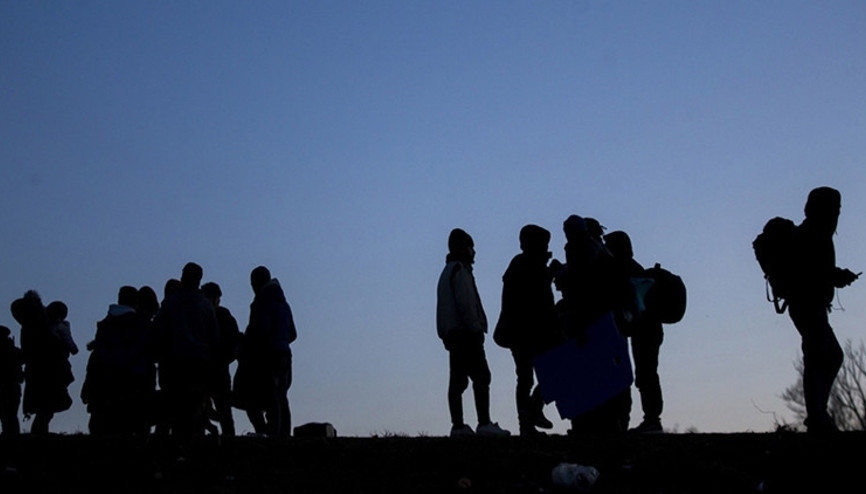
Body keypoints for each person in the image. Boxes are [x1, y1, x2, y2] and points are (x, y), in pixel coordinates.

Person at [786, 187, 859, 434]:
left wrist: (835, 276)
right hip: (807, 304)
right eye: (835, 208)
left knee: (830, 356)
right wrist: (838, 276)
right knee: (818, 356)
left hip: (812, 305)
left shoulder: (817, 233)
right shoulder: (812, 234)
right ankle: (816, 417)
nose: (837, 213)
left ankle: (818, 413)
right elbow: (811, 272)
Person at [437, 228, 510, 438]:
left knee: (458, 381)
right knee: (481, 376)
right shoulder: (459, 270)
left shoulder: (447, 272)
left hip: (453, 335)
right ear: (463, 247)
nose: (474, 252)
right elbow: (466, 303)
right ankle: (484, 423)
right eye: (471, 247)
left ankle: (458, 426)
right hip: (466, 333)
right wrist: (476, 328)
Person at [493, 224, 559, 436]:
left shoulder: (523, 264)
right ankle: (531, 413)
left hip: (523, 332)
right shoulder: (526, 265)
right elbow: (537, 298)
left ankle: (529, 417)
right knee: (544, 373)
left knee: (527, 377)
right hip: (528, 332)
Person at [604, 230, 664, 433]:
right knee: (646, 373)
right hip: (648, 328)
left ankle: (652, 420)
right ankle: (652, 419)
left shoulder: (625, 269)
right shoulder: (633, 267)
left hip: (644, 329)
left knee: (646, 374)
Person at [153, 263, 219, 438]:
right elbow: (214, 339)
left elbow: (160, 332)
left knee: (170, 409)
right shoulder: (206, 307)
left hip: (173, 363)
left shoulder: (169, 304)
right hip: (198, 365)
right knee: (194, 411)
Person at [81, 286, 154, 436]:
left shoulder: (105, 324)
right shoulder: (138, 324)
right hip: (130, 383)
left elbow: (97, 357)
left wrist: (89, 383)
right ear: (136, 301)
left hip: (105, 381)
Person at [233, 266, 297, 438]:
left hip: (268, 357)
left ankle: (272, 436)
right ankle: (284, 436)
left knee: (267, 398)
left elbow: (260, 331)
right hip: (285, 355)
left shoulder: (261, 302)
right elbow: (293, 333)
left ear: (256, 283)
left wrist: (246, 343)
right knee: (282, 398)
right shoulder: (284, 304)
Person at [11, 290, 73, 435]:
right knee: (46, 408)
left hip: (39, 370)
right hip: (48, 370)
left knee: (44, 408)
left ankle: (39, 434)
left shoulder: (32, 325)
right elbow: (58, 348)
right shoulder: (41, 326)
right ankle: (39, 434)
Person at [201, 281, 241, 437]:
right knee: (224, 412)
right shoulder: (225, 316)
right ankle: (229, 444)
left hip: (203, 369)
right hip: (219, 371)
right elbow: (235, 344)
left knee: (200, 410)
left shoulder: (200, 315)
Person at [0, 325, 24, 436]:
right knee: (11, 415)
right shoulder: (13, 350)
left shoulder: (11, 350)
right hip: (13, 385)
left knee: (6, 415)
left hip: (8, 385)